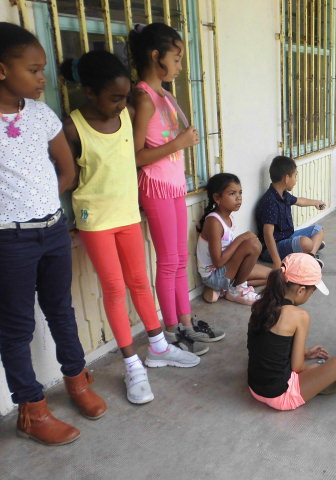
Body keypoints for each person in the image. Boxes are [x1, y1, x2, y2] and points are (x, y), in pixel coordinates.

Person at [61, 51, 207, 405]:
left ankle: (158, 347)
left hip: (128, 215)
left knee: (140, 282)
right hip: (96, 221)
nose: (121, 105)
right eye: (114, 98)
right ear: (89, 92)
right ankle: (132, 365)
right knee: (114, 289)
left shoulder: (127, 116)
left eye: (124, 97)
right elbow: (71, 177)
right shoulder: (72, 127)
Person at [0, 22, 106, 445]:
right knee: (16, 327)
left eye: (42, 69)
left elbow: (67, 171)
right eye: (33, 70)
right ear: (2, 70)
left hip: (53, 231)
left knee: (61, 310)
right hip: (10, 241)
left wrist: (43, 206)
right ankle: (32, 410)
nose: (42, 78)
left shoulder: (41, 115)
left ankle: (77, 382)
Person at [129, 23, 224, 344]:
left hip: (173, 185)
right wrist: (179, 143)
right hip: (155, 185)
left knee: (180, 259)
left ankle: (186, 321)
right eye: (177, 58)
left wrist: (180, 141)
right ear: (156, 56)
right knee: (169, 261)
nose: (181, 66)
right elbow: (136, 155)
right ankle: (171, 330)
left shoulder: (164, 95)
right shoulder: (143, 97)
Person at [247, 253, 336, 411]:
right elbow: (298, 367)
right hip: (281, 395)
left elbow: (270, 344)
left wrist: (305, 352)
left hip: (255, 388)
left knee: (318, 368)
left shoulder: (260, 305)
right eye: (312, 292)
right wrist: (314, 367)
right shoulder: (299, 316)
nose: (310, 296)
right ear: (301, 290)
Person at [196, 173, 270, 305]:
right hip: (214, 276)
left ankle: (228, 289)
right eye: (232, 194)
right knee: (253, 244)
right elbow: (218, 262)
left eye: (240, 193)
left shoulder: (229, 217)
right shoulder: (214, 222)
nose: (238, 198)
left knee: (274, 275)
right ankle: (237, 289)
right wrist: (240, 238)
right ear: (217, 198)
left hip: (227, 270)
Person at [255, 156, 326, 268]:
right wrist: (277, 262)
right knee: (306, 242)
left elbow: (300, 201)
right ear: (286, 178)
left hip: (289, 237)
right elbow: (268, 234)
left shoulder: (283, 195)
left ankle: (311, 255)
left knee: (318, 230)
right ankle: (309, 248)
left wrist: (316, 202)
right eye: (295, 176)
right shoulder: (270, 201)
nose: (296, 180)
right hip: (273, 248)